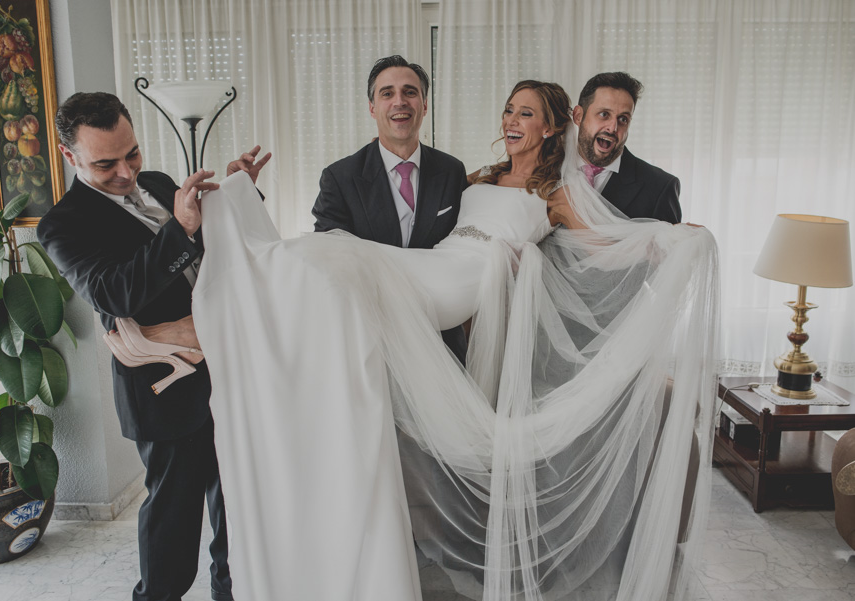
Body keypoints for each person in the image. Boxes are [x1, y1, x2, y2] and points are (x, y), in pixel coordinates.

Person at [114, 80, 718, 600]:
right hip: (434, 264)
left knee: (336, 264)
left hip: (456, 285)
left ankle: (205, 326)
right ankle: (222, 300)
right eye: (508, 110)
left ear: (553, 125)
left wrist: (671, 237)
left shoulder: (555, 195)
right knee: (327, 255)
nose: (511, 120)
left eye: (526, 112)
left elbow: (605, 241)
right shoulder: (475, 176)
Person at [36, 92, 269, 601]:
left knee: (237, 511)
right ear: (69, 156)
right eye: (105, 163)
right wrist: (182, 226)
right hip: (164, 392)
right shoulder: (61, 225)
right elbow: (113, 293)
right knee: (173, 525)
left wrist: (237, 194)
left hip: (227, 372)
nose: (126, 172)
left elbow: (216, 252)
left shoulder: (162, 183)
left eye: (132, 153)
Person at [312, 55, 469, 361]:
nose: (400, 101)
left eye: (410, 92)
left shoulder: (452, 170)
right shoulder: (340, 178)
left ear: (424, 105)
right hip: (371, 344)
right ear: (372, 107)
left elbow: (462, 248)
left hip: (441, 342)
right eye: (387, 93)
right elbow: (329, 262)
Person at [572, 71, 682, 223]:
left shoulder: (660, 187)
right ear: (578, 116)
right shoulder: (546, 168)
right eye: (604, 114)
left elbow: (667, 247)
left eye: (623, 119)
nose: (613, 128)